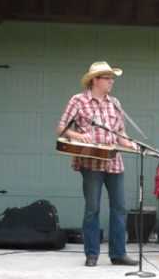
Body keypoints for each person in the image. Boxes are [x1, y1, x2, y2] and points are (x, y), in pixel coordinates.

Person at [57, 61, 138, 267]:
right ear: (95, 80)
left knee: (119, 208)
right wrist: (78, 135)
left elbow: (120, 132)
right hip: (90, 162)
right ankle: (91, 254)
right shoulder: (78, 100)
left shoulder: (115, 103)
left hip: (114, 162)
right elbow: (61, 129)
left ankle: (118, 254)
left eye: (112, 78)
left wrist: (129, 143)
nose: (111, 82)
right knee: (92, 208)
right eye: (107, 78)